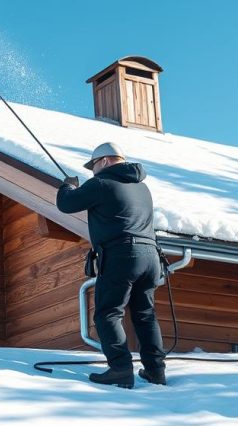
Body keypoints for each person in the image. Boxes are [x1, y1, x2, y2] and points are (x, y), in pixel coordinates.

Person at [56, 142, 166, 388]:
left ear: (104, 161)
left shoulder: (101, 183)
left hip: (121, 255)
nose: (92, 172)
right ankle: (156, 371)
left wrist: (68, 185)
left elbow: (66, 204)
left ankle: (120, 369)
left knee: (108, 313)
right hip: (150, 256)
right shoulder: (142, 188)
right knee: (145, 315)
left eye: (93, 165)